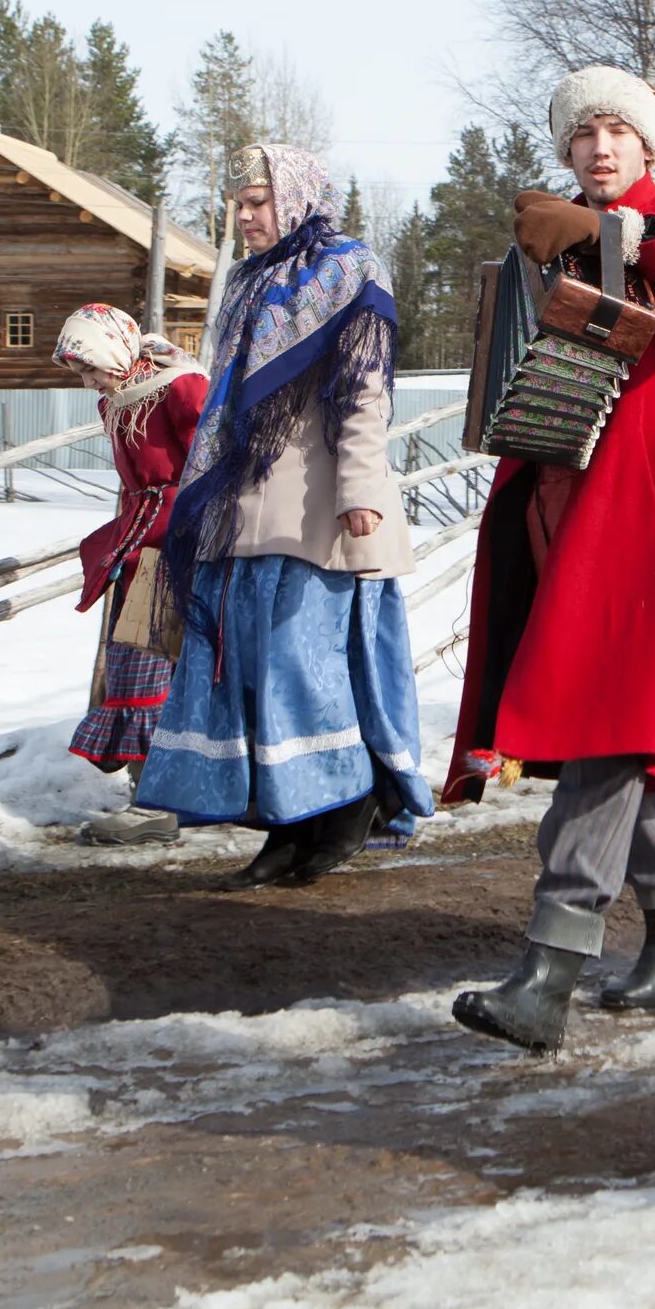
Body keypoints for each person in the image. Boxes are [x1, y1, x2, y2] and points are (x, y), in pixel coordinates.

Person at [445, 67, 655, 1051]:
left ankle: (549, 969)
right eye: (584, 134)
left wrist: (625, 236)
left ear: (648, 146)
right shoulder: (547, 231)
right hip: (554, 503)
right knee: (611, 727)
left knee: (613, 725)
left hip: (645, 509)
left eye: (619, 131)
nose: (601, 147)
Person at [131, 145, 430, 886]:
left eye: (258, 200)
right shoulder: (245, 281)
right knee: (253, 675)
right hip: (241, 514)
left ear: (296, 199)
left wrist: (360, 491)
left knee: (306, 672)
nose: (245, 214)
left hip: (317, 513)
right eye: (239, 201)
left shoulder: (349, 272)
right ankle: (284, 823)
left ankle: (344, 811)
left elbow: (364, 394)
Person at [54, 303, 209, 844]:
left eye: (88, 366)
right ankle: (156, 797)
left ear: (113, 350)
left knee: (156, 669)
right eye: (80, 372)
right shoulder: (117, 399)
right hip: (138, 543)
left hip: (179, 545)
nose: (88, 380)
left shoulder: (182, 387)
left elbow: (212, 466)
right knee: (135, 667)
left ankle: (159, 807)